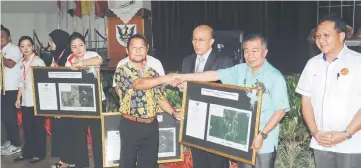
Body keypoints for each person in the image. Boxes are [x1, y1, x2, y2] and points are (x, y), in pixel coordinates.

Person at [133, 34, 290, 168]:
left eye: (255, 51)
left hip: (263, 140)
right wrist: (181, 76)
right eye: (247, 51)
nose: (250, 55)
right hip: (243, 139)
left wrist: (262, 135)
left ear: (265, 52)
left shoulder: (274, 77)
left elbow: (280, 111)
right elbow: (212, 75)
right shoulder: (240, 69)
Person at [132, 25, 234, 168]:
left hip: (215, 124)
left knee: (217, 163)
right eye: (194, 39)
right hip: (194, 122)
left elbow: (225, 93)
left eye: (201, 40)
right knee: (199, 161)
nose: (196, 44)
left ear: (211, 42)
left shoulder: (224, 61)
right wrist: (182, 87)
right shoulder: (187, 61)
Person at [296, 15, 361, 168]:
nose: (321, 39)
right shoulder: (312, 64)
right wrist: (314, 132)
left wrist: (346, 134)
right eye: (318, 36)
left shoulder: (358, 62)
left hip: (351, 144)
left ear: (341, 36)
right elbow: (306, 101)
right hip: (321, 143)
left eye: (326, 35)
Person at [113, 34, 183, 168]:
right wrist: (165, 78)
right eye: (134, 47)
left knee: (149, 164)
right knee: (127, 163)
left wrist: (174, 113)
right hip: (131, 125)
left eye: (141, 47)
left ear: (147, 49)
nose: (138, 50)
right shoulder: (122, 69)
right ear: (127, 51)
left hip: (151, 125)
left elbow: (160, 97)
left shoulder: (152, 72)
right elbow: (138, 84)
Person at [51, 32, 104, 168]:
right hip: (78, 103)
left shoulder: (91, 55)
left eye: (81, 45)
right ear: (70, 48)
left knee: (98, 138)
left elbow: (99, 61)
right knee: (79, 137)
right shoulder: (69, 58)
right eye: (74, 46)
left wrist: (80, 63)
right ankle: (82, 165)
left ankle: (100, 165)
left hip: (96, 102)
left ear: (85, 45)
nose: (78, 49)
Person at [13, 36, 46, 163]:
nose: (26, 48)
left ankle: (39, 154)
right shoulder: (21, 63)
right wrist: (18, 99)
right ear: (20, 48)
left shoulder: (38, 62)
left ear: (33, 47)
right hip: (26, 101)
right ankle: (27, 153)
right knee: (27, 128)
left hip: (37, 101)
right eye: (22, 46)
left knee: (38, 128)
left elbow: (43, 82)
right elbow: (21, 82)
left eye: (28, 45)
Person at [47, 29, 72, 159]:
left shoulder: (67, 59)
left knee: (65, 129)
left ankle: (67, 158)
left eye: (52, 41)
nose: (49, 43)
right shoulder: (55, 57)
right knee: (57, 127)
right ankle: (62, 157)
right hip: (55, 98)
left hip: (65, 100)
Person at [1, 25, 22, 156]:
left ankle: (16, 144)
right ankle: (10, 141)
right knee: (4, 117)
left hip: (12, 89)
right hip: (2, 88)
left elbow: (10, 64)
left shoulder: (14, 49)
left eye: (1, 36)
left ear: (9, 38)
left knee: (10, 117)